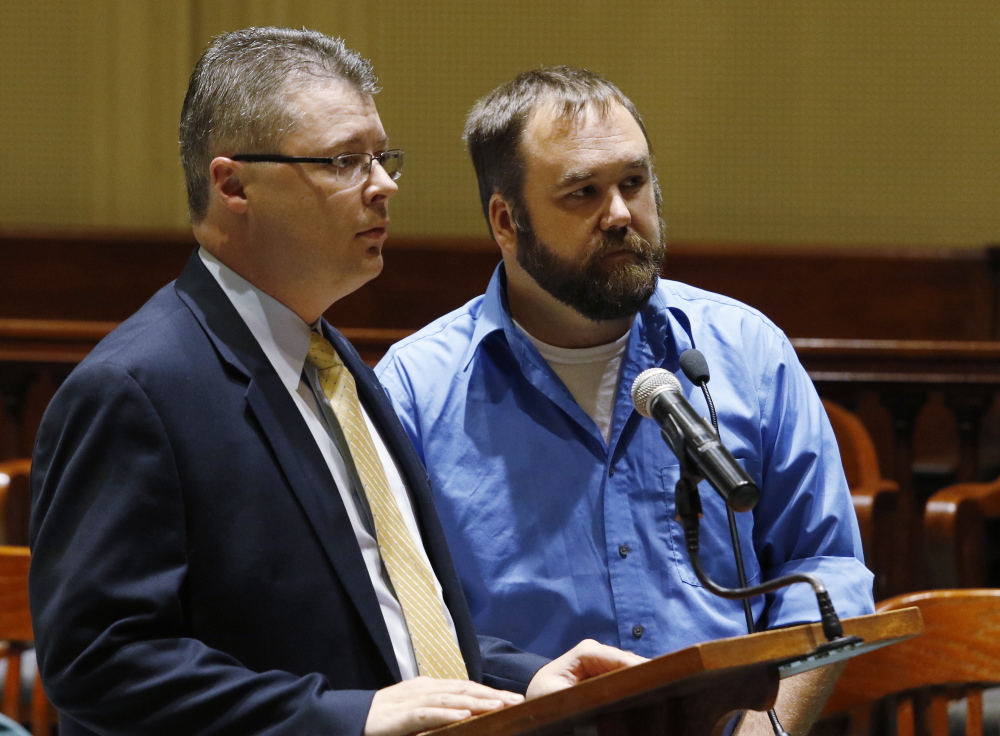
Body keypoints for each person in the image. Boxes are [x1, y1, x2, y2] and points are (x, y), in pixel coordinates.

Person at [28, 33, 642, 736]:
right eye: (346, 161)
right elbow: (96, 660)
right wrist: (345, 717)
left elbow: (379, 615)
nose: (384, 184)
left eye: (383, 157)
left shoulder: (332, 361)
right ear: (233, 186)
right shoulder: (134, 387)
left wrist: (520, 676)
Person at [375, 67, 876, 735]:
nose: (619, 215)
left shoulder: (746, 352)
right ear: (506, 221)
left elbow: (825, 568)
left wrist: (769, 730)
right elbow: (400, 619)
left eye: (633, 183)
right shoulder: (414, 390)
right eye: (583, 193)